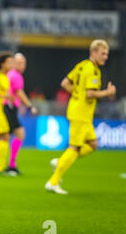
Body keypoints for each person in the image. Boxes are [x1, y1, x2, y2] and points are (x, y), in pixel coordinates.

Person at [46, 39, 116, 194]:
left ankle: (60, 162)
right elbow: (90, 94)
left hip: (79, 110)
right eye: (103, 53)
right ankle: (53, 181)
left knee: (92, 145)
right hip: (81, 113)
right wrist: (107, 93)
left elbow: (65, 83)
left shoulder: (81, 65)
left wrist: (77, 94)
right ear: (94, 52)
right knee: (75, 146)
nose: (105, 57)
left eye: (107, 54)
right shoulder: (92, 70)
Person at [0, 53, 38, 176]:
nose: (22, 65)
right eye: (19, 62)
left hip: (6, 106)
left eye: (23, 63)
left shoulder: (8, 75)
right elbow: (20, 93)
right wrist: (30, 106)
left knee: (5, 137)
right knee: (19, 134)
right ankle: (11, 165)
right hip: (9, 107)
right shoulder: (16, 75)